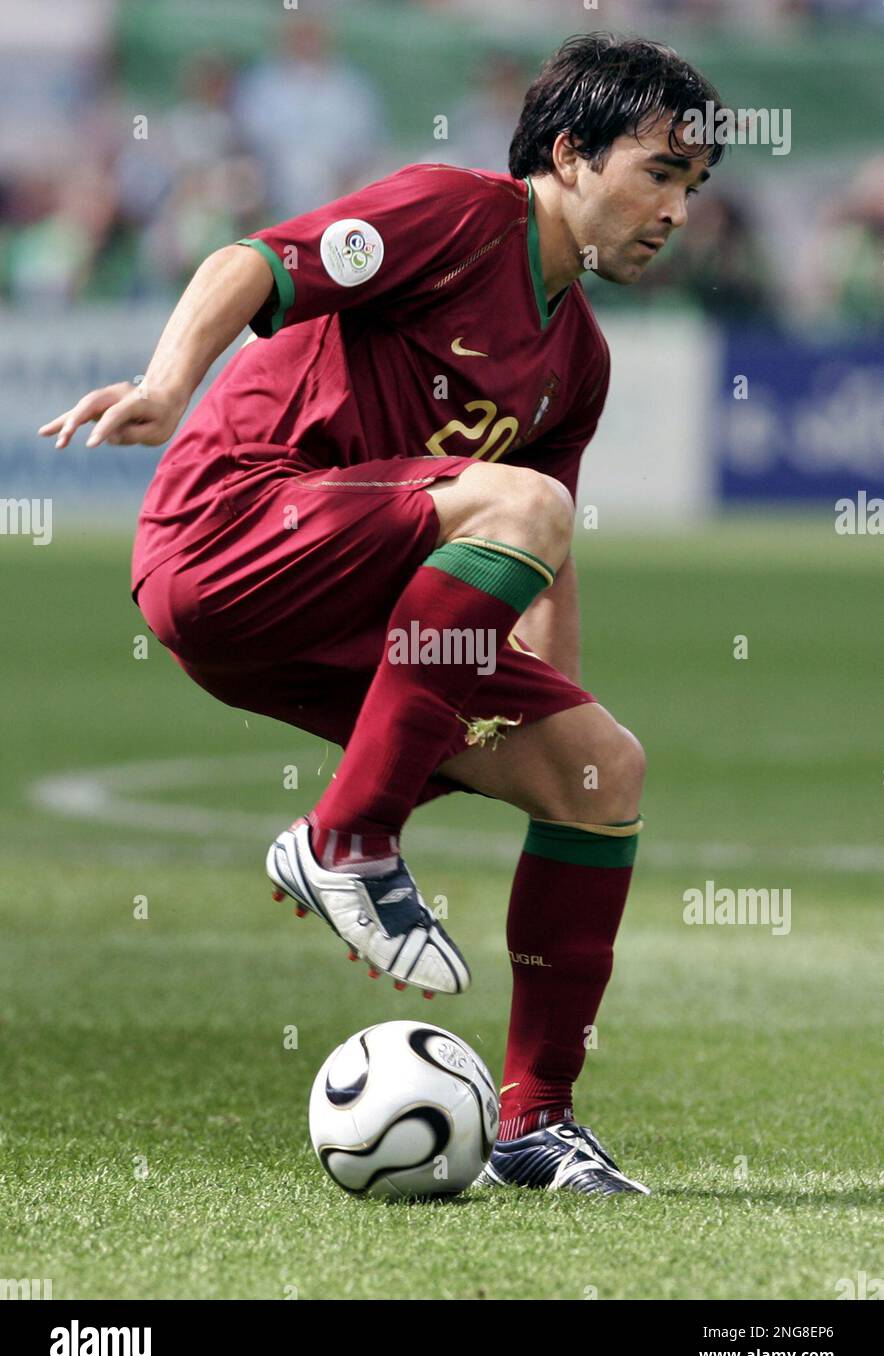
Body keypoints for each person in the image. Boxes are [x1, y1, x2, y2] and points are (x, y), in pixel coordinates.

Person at [39, 34, 723, 1197]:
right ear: (568, 152)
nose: (675, 211)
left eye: (692, 188)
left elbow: (541, 558)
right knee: (521, 503)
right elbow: (247, 260)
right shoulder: (457, 216)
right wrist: (164, 385)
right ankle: (344, 839)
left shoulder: (580, 358)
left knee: (603, 770)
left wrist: (550, 723)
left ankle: (535, 1122)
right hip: (229, 537)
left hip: (355, 605)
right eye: (657, 173)